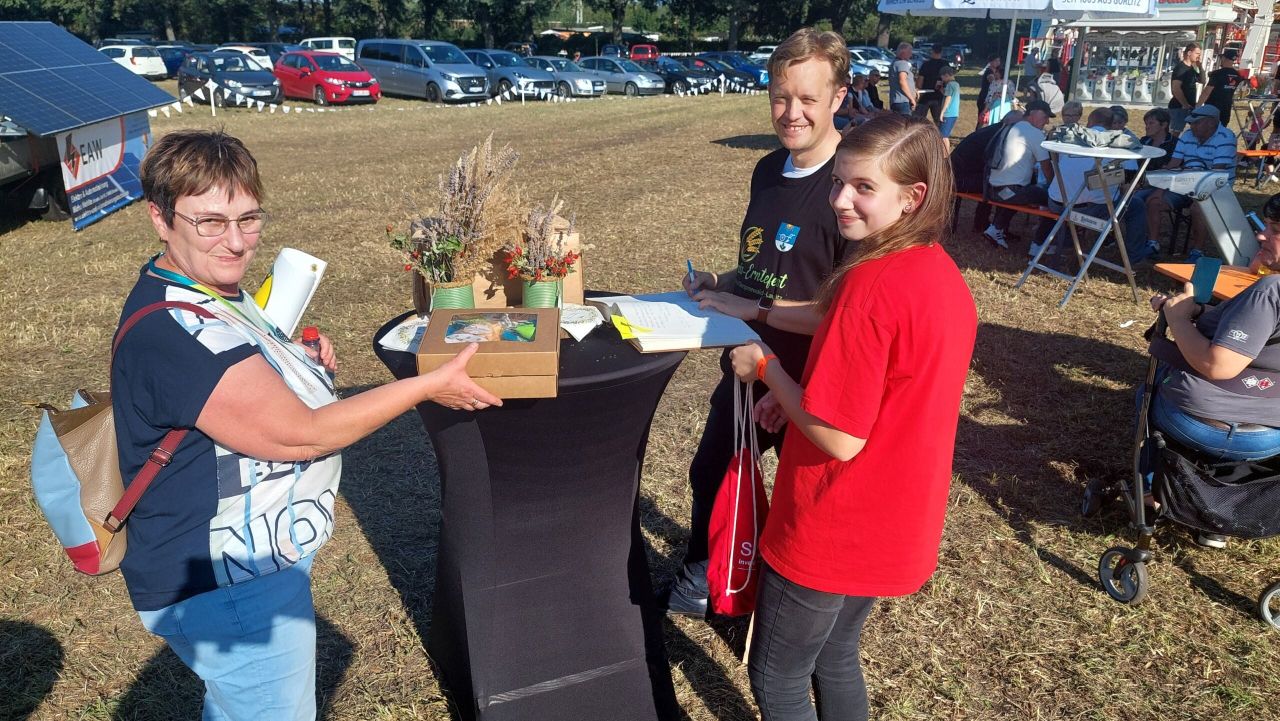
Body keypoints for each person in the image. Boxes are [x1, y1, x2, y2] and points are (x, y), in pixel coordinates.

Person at [112, 129, 501, 720]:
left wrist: (294, 364)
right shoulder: (176, 333)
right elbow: (301, 433)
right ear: (160, 219)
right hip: (227, 584)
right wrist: (426, 386)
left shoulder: (205, 289)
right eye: (210, 222)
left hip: (248, 561)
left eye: (248, 219)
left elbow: (237, 376)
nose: (236, 242)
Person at [729, 114, 976, 721]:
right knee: (836, 654)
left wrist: (766, 370)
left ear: (912, 196)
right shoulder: (938, 270)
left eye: (864, 187)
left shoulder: (869, 286)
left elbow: (839, 437)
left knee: (777, 674)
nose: (840, 199)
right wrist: (799, 394)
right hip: (896, 514)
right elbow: (886, 387)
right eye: (839, 182)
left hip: (835, 521)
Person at [657, 27, 855, 618]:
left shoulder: (851, 188)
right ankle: (708, 573)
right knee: (712, 470)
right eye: (779, 97)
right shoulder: (768, 170)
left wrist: (754, 313)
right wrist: (723, 283)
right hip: (747, 364)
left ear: (839, 97)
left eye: (808, 99)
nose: (791, 113)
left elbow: (844, 318)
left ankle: (773, 599)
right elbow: (765, 265)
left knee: (803, 504)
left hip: (808, 381)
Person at [1144, 192, 1280, 545]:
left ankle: (1148, 491)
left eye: (1275, 229)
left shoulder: (1270, 291)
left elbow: (1217, 365)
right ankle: (1217, 510)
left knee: (1151, 386)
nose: (1262, 234)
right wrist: (1199, 313)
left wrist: (1177, 319)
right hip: (1270, 435)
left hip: (1208, 424)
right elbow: (1259, 334)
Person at [1033, 107, 1156, 263]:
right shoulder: (1121, 143)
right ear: (1111, 125)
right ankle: (1134, 257)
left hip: (1057, 203)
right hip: (1089, 210)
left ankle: (1057, 242)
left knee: (1070, 188)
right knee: (1136, 205)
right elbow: (1130, 183)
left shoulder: (1071, 138)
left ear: (1090, 122)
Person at [1142, 104, 1237, 254]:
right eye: (1191, 123)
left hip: (1215, 187)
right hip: (1186, 184)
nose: (1192, 126)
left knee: (1198, 208)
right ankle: (1153, 244)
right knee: (1154, 201)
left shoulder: (1226, 137)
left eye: (1196, 123)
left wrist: (1195, 193)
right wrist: (1160, 190)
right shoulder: (1187, 135)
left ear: (1211, 123)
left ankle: (1197, 251)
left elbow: (1216, 173)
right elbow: (1173, 164)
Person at [982, 99, 1057, 249]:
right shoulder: (1034, 133)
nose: (1047, 122)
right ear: (1034, 114)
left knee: (1023, 190)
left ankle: (995, 228)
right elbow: (1046, 167)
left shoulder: (1011, 127)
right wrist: (1054, 187)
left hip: (990, 189)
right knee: (1056, 200)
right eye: (1045, 117)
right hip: (1009, 192)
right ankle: (1039, 245)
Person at [952, 110, 1024, 233]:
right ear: (1007, 121)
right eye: (1018, 125)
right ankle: (993, 228)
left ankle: (984, 224)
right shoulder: (999, 136)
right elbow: (995, 164)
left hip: (956, 174)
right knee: (1001, 186)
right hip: (959, 179)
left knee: (994, 181)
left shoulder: (994, 130)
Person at [1199, 48, 1244, 124]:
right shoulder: (1237, 75)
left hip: (1212, 107)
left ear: (1223, 58)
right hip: (1226, 107)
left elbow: (1207, 92)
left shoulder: (1217, 73)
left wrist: (1198, 105)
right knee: (1222, 128)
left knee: (1208, 128)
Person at [1169, 43, 1204, 135]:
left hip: (1190, 106)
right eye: (1197, 53)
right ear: (1189, 53)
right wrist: (1184, 104)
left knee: (1197, 129)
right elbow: (1176, 88)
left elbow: (1202, 80)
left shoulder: (1191, 68)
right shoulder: (1181, 68)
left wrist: (1200, 67)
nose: (1198, 56)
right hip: (1179, 107)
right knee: (1175, 132)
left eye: (1199, 54)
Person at [915, 44, 947, 124]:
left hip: (925, 95)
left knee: (919, 121)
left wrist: (918, 88)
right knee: (939, 121)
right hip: (939, 95)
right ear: (941, 52)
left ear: (932, 51)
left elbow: (919, 82)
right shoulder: (945, 65)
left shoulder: (926, 65)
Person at [890, 42, 917, 116]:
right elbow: (902, 81)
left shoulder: (895, 63)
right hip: (903, 102)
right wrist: (911, 99)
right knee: (905, 122)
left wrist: (914, 90)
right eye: (909, 52)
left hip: (896, 101)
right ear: (903, 52)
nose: (911, 55)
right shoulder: (902, 63)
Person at [977, 55, 1002, 126]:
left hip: (992, 98)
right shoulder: (989, 71)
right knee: (982, 118)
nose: (998, 62)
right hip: (985, 97)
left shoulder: (997, 71)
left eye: (999, 60)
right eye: (996, 61)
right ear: (990, 62)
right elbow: (993, 82)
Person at [938, 65, 961, 140]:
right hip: (954, 113)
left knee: (943, 137)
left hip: (948, 113)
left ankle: (944, 148)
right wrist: (941, 89)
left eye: (942, 78)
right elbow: (948, 94)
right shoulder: (956, 84)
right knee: (945, 135)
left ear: (946, 75)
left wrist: (942, 112)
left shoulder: (949, 85)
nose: (942, 80)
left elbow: (948, 98)